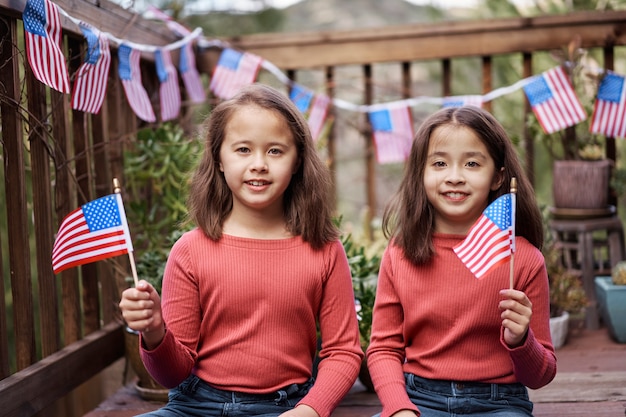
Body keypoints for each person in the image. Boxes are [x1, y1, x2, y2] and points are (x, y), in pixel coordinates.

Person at [119, 83, 363, 417]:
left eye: (275, 151)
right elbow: (171, 374)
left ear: (297, 162)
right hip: (195, 406)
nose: (259, 164)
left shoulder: (324, 250)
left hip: (285, 407)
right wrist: (154, 331)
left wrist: (310, 410)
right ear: (219, 159)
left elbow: (343, 352)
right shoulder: (190, 250)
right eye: (243, 150)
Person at [366, 106, 557, 417]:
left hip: (499, 403)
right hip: (419, 400)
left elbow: (542, 374)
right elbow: (383, 349)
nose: (454, 177)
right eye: (439, 163)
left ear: (497, 177)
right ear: (421, 173)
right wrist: (399, 408)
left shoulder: (522, 260)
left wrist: (521, 340)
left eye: (471, 164)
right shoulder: (400, 252)